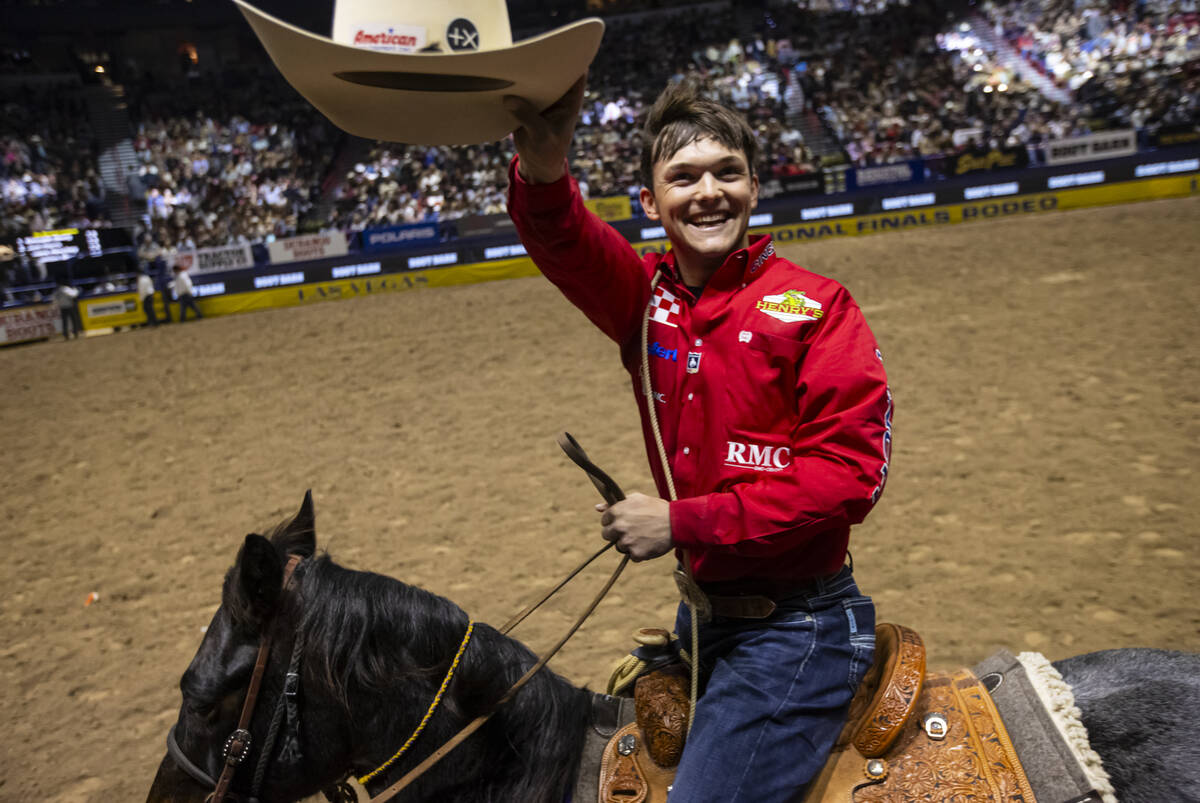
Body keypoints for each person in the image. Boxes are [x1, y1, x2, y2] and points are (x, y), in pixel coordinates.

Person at [504, 78, 893, 801]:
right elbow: (563, 238)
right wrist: (545, 170)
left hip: (797, 632)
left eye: (726, 172)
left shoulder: (818, 306)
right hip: (702, 616)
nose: (707, 192)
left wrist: (679, 520)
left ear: (754, 186)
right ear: (650, 203)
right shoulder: (642, 301)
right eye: (682, 177)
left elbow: (847, 476)